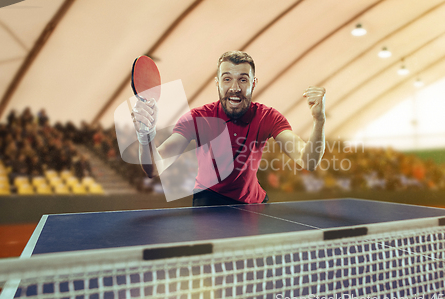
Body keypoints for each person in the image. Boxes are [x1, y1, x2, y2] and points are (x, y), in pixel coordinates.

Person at [131, 51, 326, 206]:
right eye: (227, 79)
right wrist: (146, 136)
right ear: (217, 83)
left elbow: (307, 160)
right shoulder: (198, 118)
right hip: (209, 201)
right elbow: (155, 168)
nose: (234, 88)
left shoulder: (268, 117)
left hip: (254, 204)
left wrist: (319, 121)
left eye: (243, 79)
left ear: (253, 83)